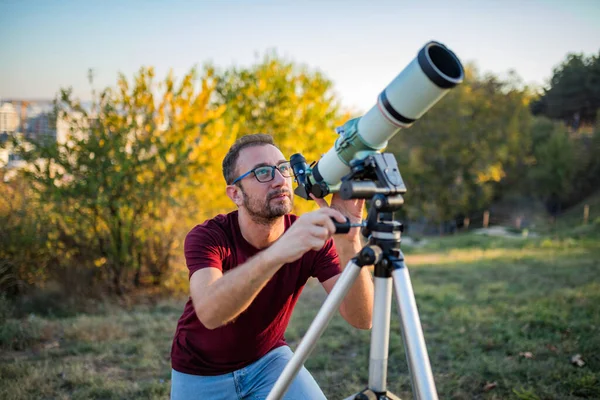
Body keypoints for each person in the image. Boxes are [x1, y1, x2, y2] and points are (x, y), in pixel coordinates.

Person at [170, 134, 374, 399]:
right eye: (262, 173)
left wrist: (349, 241)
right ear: (236, 194)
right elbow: (209, 313)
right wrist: (278, 252)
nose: (279, 180)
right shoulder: (209, 236)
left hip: (270, 360)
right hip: (200, 370)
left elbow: (363, 318)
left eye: (283, 168)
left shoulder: (309, 235)